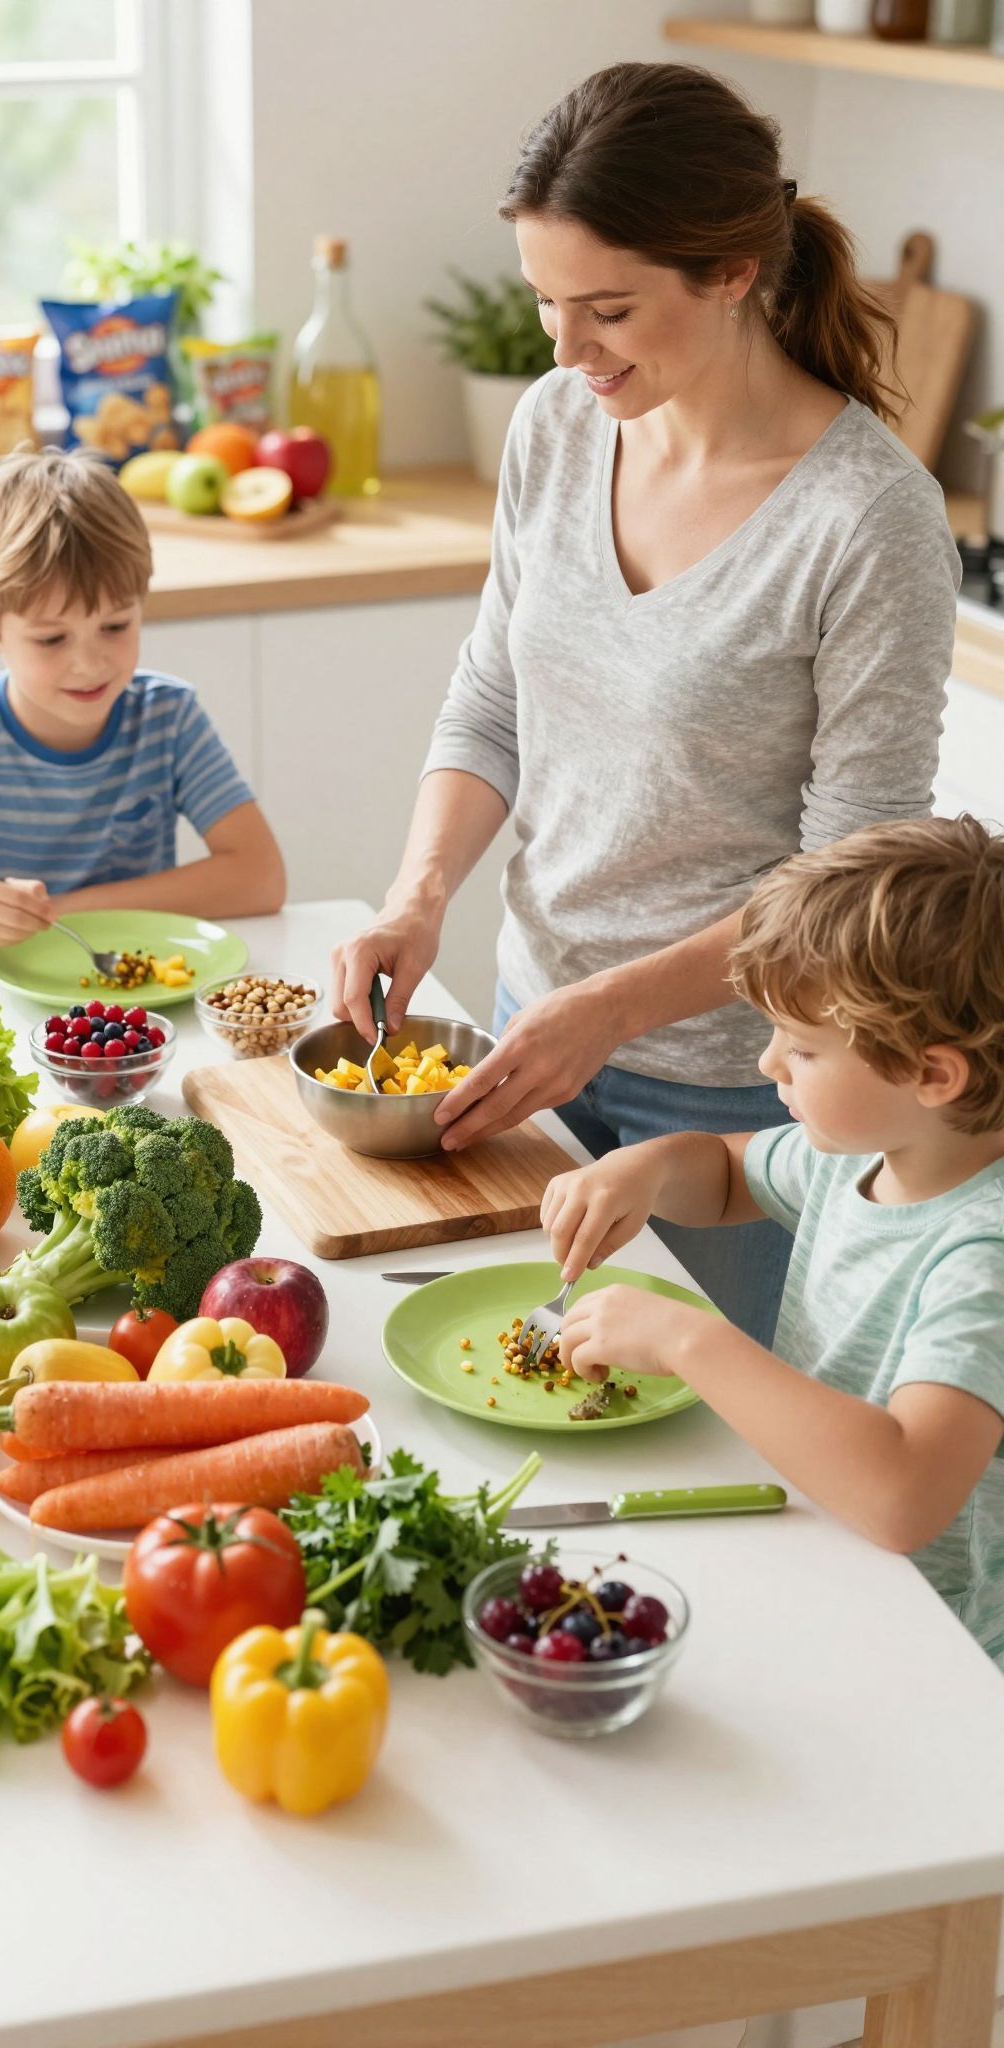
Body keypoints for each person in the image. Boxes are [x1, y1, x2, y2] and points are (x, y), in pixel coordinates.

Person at [330, 62, 959, 1348]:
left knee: (702, 1467)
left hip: (752, 1105)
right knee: (524, 1409)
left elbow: (845, 892)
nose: (565, 351)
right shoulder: (559, 428)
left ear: (730, 271)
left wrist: (614, 1006)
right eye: (548, 303)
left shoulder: (867, 520)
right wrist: (417, 895)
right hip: (530, 1035)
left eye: (607, 308)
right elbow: (494, 694)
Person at [544, 814, 1004, 1672]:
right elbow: (722, 1175)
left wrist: (688, 1339)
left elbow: (904, 1493)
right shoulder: (867, 1154)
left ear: (933, 1075)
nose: (767, 1068)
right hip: (822, 1562)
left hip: (929, 1651)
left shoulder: (984, 1254)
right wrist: (641, 1171)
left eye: (802, 1048)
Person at [0, 448, 285, 949]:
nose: (90, 663)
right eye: (52, 639)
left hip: (130, 993)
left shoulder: (169, 718)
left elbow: (260, 877)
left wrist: (61, 911)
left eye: (115, 626)